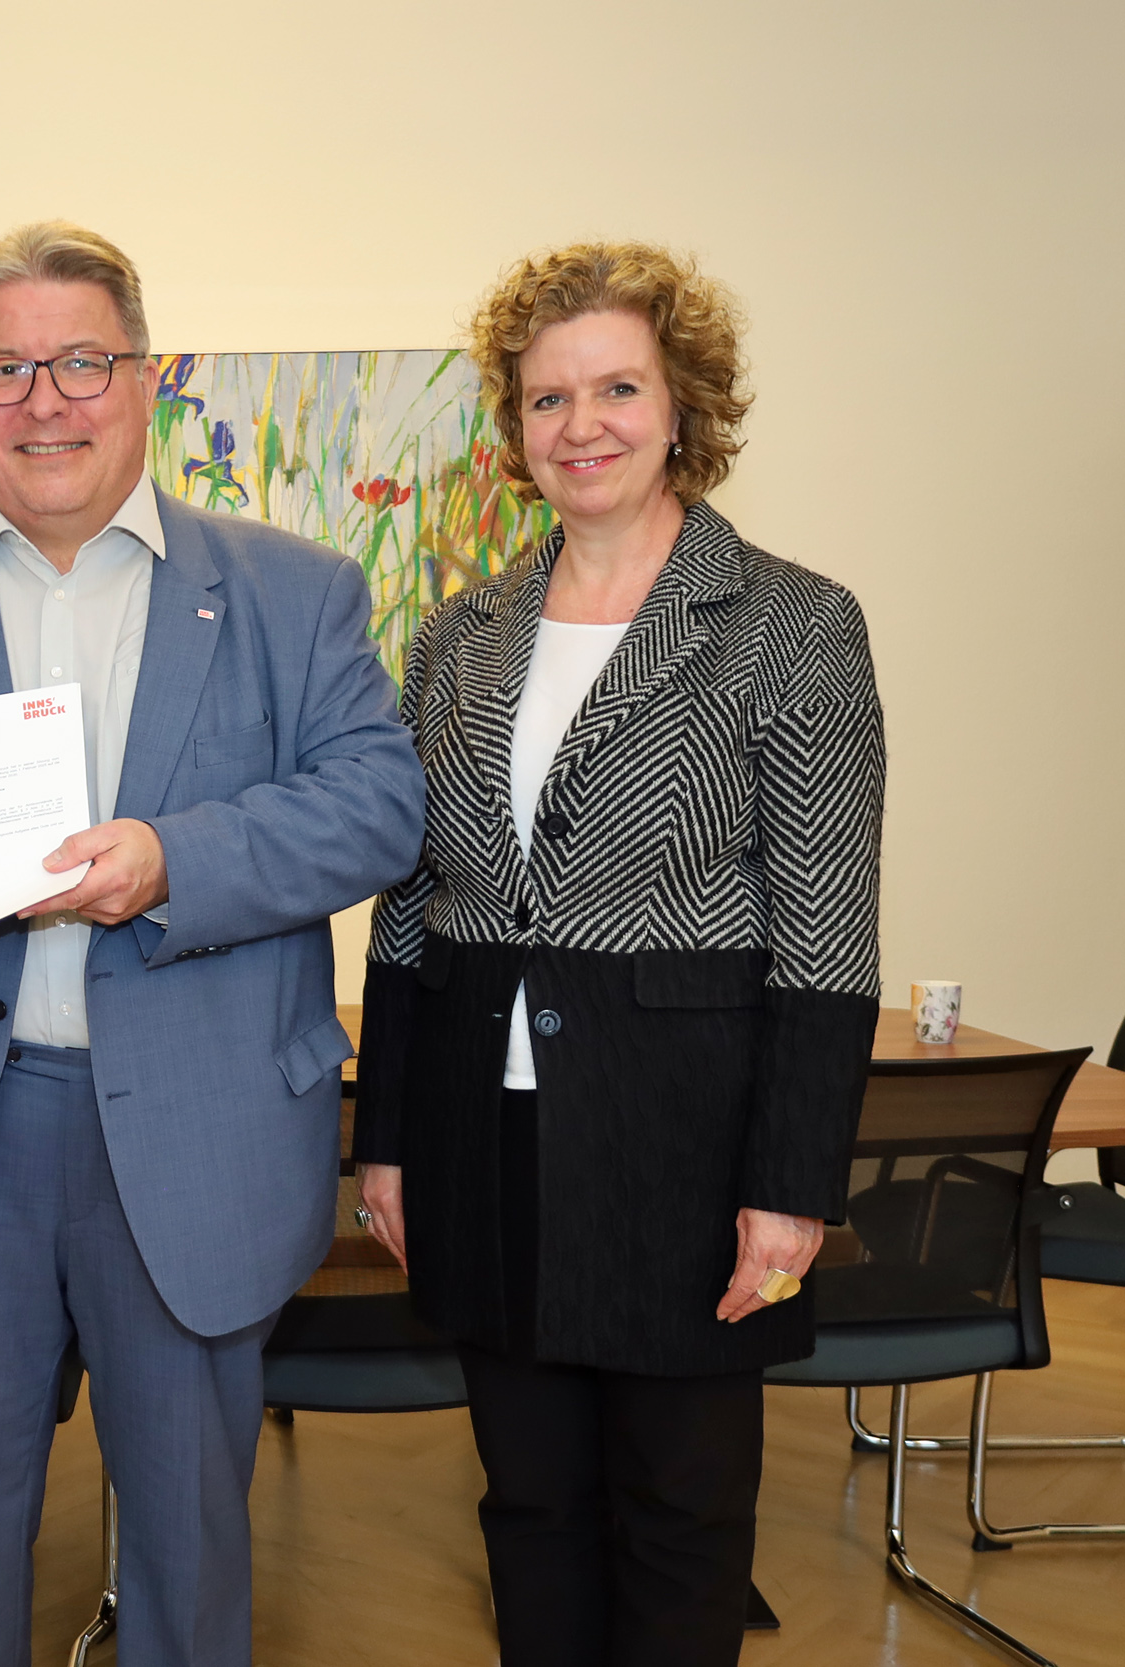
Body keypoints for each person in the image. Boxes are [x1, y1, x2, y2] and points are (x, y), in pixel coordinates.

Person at [0, 221, 427, 1667]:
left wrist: (178, 858)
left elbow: (379, 808)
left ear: (146, 376)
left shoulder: (292, 589)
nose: (44, 399)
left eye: (80, 361)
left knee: (190, 1558)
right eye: (5, 369)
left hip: (201, 1132)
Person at [352, 242, 886, 1667]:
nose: (580, 424)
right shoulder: (459, 634)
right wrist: (386, 1139)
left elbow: (827, 928)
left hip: (686, 1147)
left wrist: (791, 1187)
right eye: (546, 398)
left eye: (617, 388)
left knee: (679, 1513)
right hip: (484, 1131)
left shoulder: (796, 625)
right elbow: (410, 904)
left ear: (682, 402)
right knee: (528, 1503)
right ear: (514, 428)